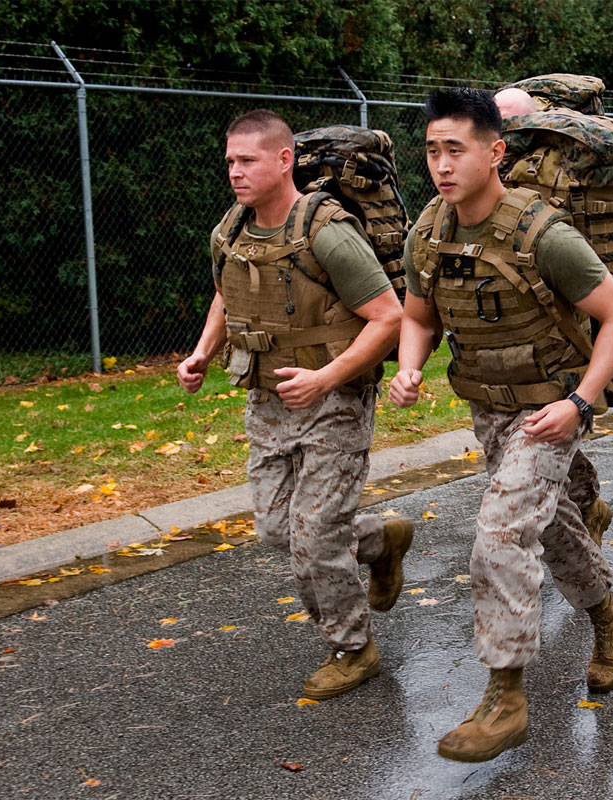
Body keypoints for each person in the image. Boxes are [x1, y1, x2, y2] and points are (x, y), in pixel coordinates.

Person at [391, 88, 613, 762]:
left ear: (495, 152)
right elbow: (418, 316)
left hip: (550, 413)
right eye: (432, 150)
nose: (441, 165)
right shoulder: (430, 230)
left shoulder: (542, 233)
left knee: (500, 533)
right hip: (489, 413)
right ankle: (611, 615)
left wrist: (582, 404)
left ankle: (505, 697)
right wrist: (410, 367)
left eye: (456, 150)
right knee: (553, 529)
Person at [177, 109, 411, 700]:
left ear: (284, 161)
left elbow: (389, 319)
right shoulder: (231, 229)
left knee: (314, 536)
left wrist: (325, 378)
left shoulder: (327, 231)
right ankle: (380, 541)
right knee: (277, 529)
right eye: (229, 160)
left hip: (334, 402)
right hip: (266, 402)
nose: (234, 172)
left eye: (247, 160)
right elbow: (225, 291)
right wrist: (204, 352)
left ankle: (353, 647)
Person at [492, 83, 613, 546]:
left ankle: (578, 549)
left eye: (510, 118)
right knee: (532, 446)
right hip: (502, 338)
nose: (503, 126)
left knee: (538, 444)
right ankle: (587, 509)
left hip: (556, 335)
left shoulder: (552, 176)